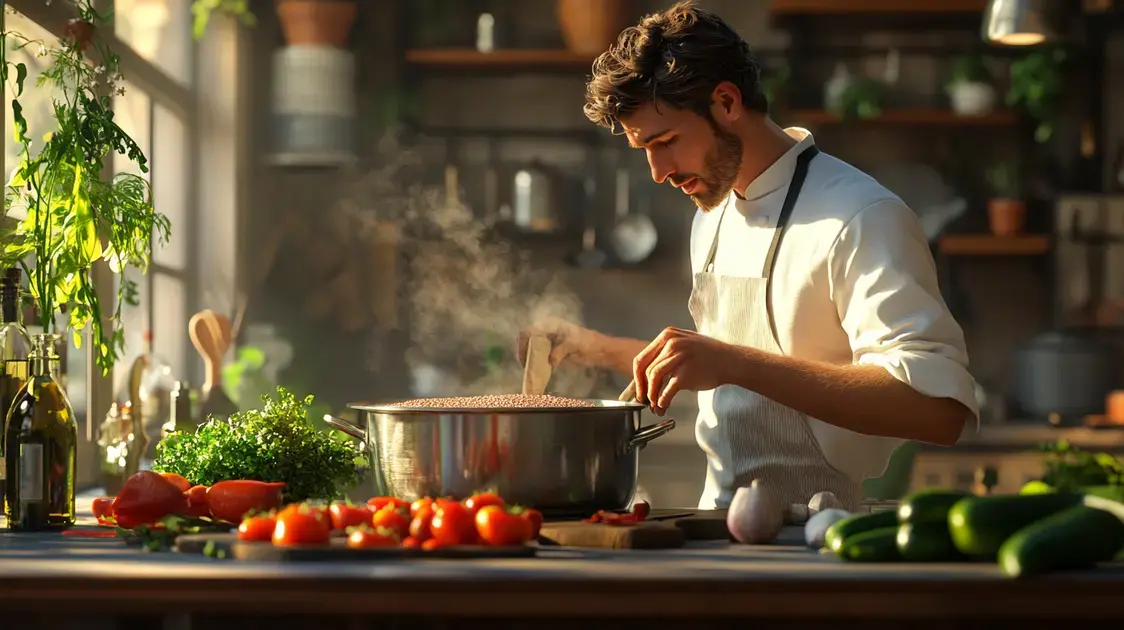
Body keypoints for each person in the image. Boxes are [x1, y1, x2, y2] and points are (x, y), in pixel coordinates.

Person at [517, 2, 979, 512]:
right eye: (643, 149)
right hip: (721, 528)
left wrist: (736, 364)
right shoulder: (712, 213)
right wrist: (593, 348)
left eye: (666, 141)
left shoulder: (862, 215)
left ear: (727, 101)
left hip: (823, 538)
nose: (658, 171)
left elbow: (939, 411)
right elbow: (717, 364)